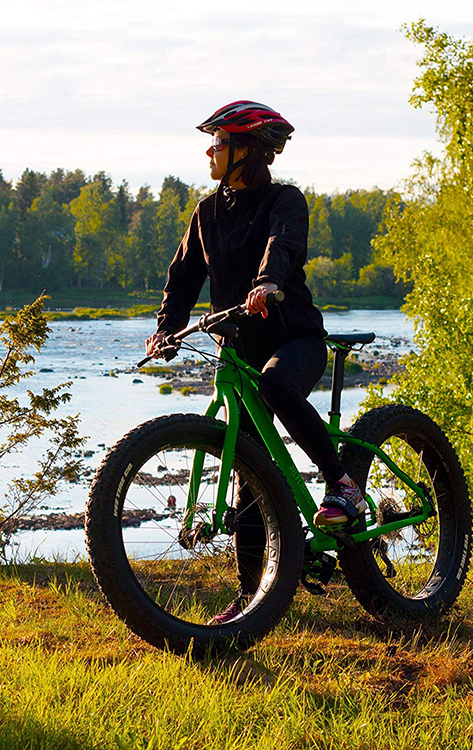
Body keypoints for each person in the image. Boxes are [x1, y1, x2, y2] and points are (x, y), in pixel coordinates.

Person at [145, 100, 366, 621]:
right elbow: (183, 277)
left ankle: (343, 484)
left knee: (275, 387)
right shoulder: (207, 211)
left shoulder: (285, 200)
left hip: (294, 337)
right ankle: (250, 599)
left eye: (219, 143)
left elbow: (281, 245)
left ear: (247, 151)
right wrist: (166, 329)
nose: (210, 151)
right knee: (246, 464)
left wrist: (267, 282)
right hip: (236, 345)